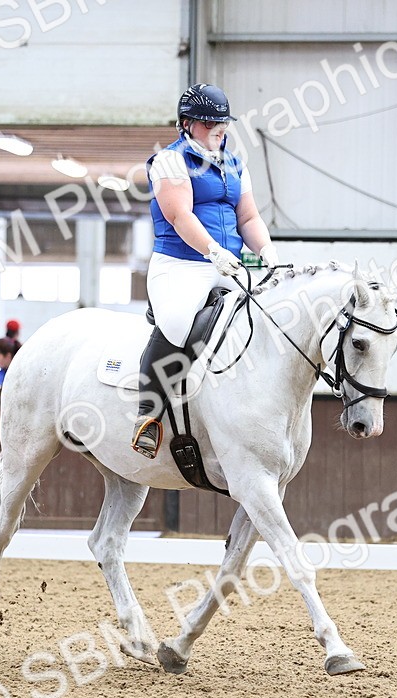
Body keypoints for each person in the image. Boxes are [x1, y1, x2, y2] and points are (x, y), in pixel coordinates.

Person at [131, 83, 281, 458]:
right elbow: (180, 215)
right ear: (187, 124)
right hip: (182, 265)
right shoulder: (170, 161)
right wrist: (213, 251)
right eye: (209, 123)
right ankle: (147, 416)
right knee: (179, 321)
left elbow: (248, 215)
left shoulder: (235, 163)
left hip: (228, 264)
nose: (219, 129)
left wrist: (266, 249)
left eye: (223, 123)